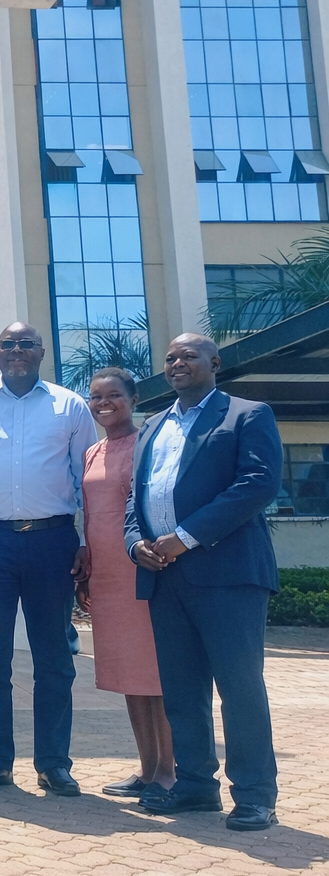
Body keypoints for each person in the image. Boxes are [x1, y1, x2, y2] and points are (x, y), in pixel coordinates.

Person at [126, 334, 283, 832]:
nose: (177, 363)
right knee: (181, 691)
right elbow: (136, 501)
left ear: (214, 362)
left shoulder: (246, 415)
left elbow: (257, 484)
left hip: (228, 576)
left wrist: (186, 538)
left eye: (189, 355)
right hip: (164, 578)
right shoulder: (153, 425)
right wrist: (137, 545)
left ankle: (255, 794)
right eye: (170, 357)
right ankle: (195, 786)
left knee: (239, 688)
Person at [0, 322, 98, 797]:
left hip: (53, 542)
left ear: (41, 352)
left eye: (25, 344)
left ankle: (54, 763)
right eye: (8, 344)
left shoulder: (69, 406)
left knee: (54, 657)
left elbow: (86, 479)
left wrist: (85, 541)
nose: (16, 351)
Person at [77, 366, 174, 798]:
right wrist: (87, 563)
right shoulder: (93, 452)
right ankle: (147, 768)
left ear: (133, 399)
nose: (103, 404)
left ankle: (169, 772)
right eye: (96, 398)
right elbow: (91, 514)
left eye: (113, 395)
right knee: (129, 679)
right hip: (107, 576)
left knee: (155, 675)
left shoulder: (149, 445)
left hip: (142, 570)